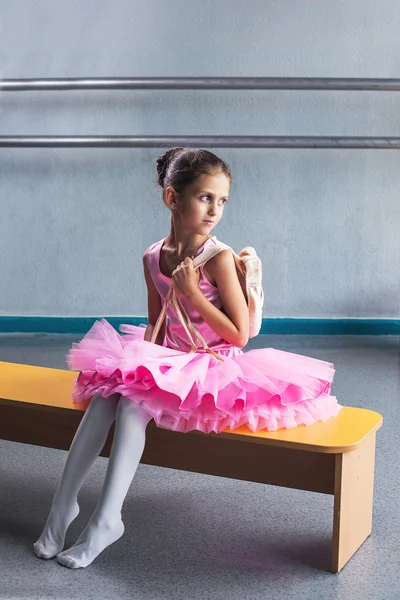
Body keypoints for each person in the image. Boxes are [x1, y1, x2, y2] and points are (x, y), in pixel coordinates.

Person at [33, 147, 341, 569]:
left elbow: (240, 334)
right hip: (172, 357)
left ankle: (106, 520)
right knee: (110, 394)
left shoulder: (217, 258)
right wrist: (139, 369)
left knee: (132, 405)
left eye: (222, 200)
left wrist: (194, 292)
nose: (215, 209)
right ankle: (61, 508)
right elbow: (155, 322)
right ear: (172, 198)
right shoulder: (152, 256)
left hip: (214, 364)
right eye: (204, 197)